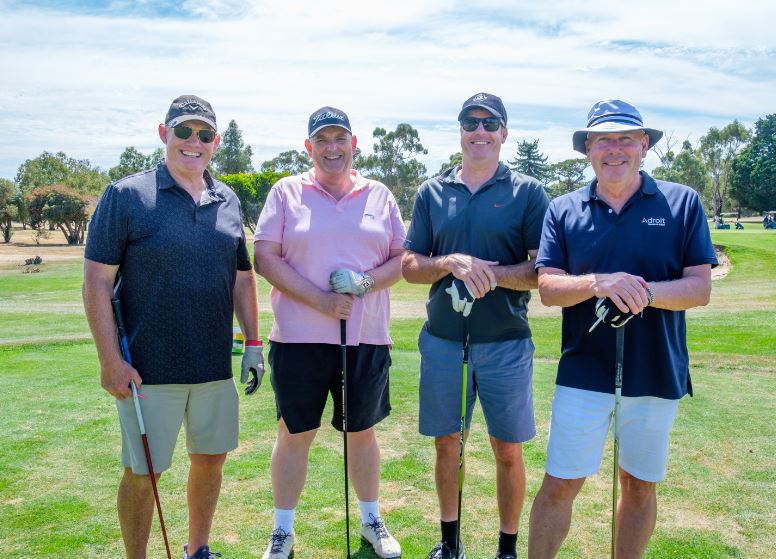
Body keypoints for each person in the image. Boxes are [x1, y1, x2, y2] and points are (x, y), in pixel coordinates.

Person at [527, 99, 718, 559]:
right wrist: (599, 283)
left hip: (656, 368)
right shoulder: (563, 209)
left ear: (644, 145)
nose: (615, 149)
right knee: (561, 481)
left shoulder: (682, 202)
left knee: (638, 484)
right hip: (583, 371)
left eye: (625, 138)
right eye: (603, 140)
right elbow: (548, 288)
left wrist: (645, 293)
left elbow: (699, 287)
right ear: (588, 149)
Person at [83, 95, 264, 559]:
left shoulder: (227, 199)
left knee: (210, 462)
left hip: (212, 366)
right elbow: (97, 282)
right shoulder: (127, 196)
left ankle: (198, 549)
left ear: (215, 142)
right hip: (147, 370)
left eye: (204, 135)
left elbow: (242, 277)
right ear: (164, 134)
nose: (193, 142)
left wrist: (253, 343)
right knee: (144, 473)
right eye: (184, 131)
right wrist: (110, 361)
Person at [252, 107, 405, 559]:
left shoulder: (379, 195)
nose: (332, 147)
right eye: (323, 140)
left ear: (354, 144)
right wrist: (319, 300)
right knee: (294, 434)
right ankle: (282, 530)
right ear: (309, 147)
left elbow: (403, 259)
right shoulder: (286, 192)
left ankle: (372, 519)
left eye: (340, 139)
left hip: (366, 337)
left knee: (361, 432)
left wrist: (365, 283)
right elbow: (266, 257)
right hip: (298, 339)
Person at [402, 93, 549, 559]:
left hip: (505, 342)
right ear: (461, 130)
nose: (480, 131)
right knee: (448, 444)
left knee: (507, 449)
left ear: (504, 133)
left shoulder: (527, 192)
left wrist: (490, 274)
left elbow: (542, 271)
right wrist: (450, 263)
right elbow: (410, 265)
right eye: (471, 122)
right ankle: (450, 544)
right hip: (444, 341)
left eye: (491, 123)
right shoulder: (431, 192)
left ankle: (507, 549)